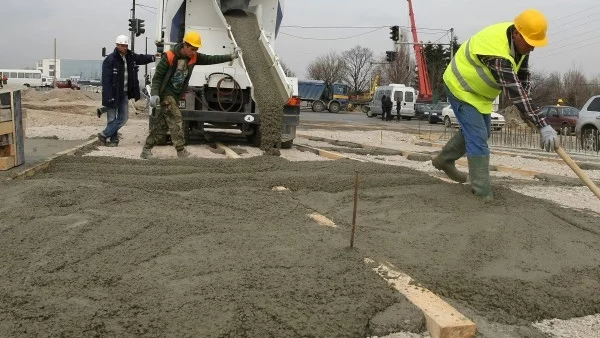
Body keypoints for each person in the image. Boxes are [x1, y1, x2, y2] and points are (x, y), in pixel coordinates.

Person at [432, 9, 558, 201]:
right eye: (530, 43)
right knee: (478, 137)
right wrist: (542, 123)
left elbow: (522, 81)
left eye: (535, 44)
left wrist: (532, 118)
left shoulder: (520, 44)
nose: (532, 48)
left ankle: (444, 160)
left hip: (479, 95)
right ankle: (482, 193)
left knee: (484, 132)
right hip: (461, 88)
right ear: (516, 33)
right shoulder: (497, 52)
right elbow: (515, 91)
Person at [140, 31, 240, 159]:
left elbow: (211, 59)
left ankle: (146, 150)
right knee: (177, 120)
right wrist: (154, 94)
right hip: (166, 94)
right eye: (192, 49)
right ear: (185, 45)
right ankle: (181, 151)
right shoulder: (170, 56)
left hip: (175, 96)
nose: (194, 52)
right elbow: (158, 77)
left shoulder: (194, 57)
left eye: (196, 49)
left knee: (162, 125)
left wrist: (230, 56)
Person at [98, 35, 158, 147]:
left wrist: (153, 57)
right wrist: (108, 96)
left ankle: (103, 134)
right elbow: (106, 81)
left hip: (124, 93)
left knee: (124, 118)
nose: (125, 48)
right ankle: (114, 140)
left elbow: (141, 58)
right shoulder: (110, 60)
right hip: (113, 93)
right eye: (122, 45)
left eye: (126, 45)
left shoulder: (130, 56)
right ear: (117, 45)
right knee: (112, 118)